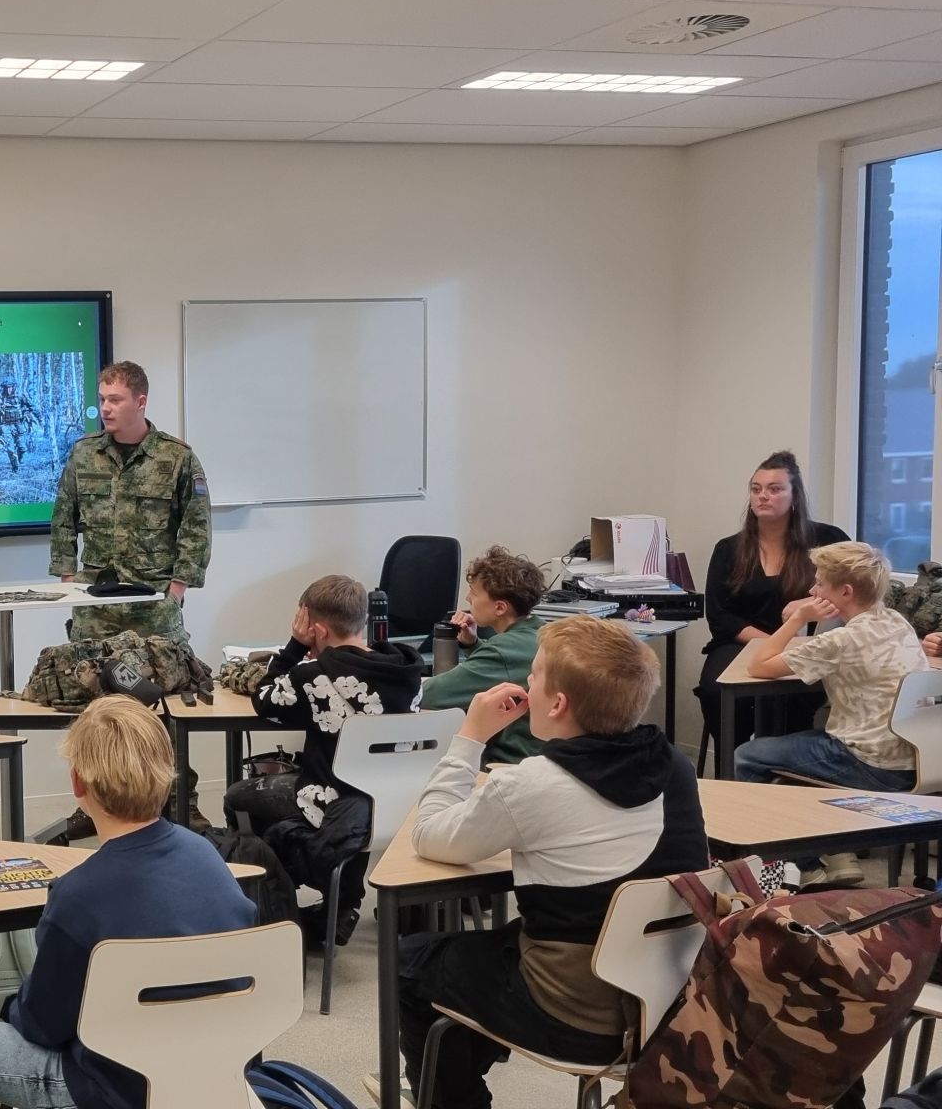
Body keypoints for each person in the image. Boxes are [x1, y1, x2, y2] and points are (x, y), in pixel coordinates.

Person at [394, 617, 707, 1109]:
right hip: (670, 1003)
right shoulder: (676, 764)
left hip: (576, 1015)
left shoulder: (531, 784)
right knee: (480, 957)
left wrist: (470, 736)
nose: (526, 685)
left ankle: (452, 1094)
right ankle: (454, 1070)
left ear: (558, 704)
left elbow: (429, 835)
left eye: (534, 676)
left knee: (412, 964)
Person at [0, 696, 256, 1109]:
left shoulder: (77, 895)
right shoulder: (210, 859)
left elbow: (44, 1026)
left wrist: (9, 1009)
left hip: (113, 1087)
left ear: (78, 784)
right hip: (214, 1071)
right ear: (167, 777)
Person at [49, 360, 213, 826]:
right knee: (95, 706)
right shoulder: (83, 455)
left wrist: (178, 586)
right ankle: (97, 801)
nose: (106, 408)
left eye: (115, 399)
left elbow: (197, 527)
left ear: (140, 401)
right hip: (96, 602)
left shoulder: (177, 457)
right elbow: (63, 516)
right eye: (102, 399)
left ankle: (180, 798)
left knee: (159, 704)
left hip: (151, 604)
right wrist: (66, 577)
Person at [225, 575, 423, 948]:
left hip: (330, 802)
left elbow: (265, 699)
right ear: (361, 621)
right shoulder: (409, 673)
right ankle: (343, 903)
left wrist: (294, 647)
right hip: (395, 806)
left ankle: (273, 902)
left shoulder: (313, 676)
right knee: (351, 796)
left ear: (313, 627)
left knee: (239, 796)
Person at [737, 541, 925, 886]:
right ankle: (834, 855)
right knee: (796, 750)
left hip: (869, 766)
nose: (812, 590)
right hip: (918, 761)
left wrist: (798, 617)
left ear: (845, 591)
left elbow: (759, 665)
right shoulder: (896, 622)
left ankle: (807, 866)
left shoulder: (841, 640)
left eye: (820, 583)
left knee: (749, 755)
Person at [696, 451, 849, 748]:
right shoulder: (729, 549)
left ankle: (780, 767)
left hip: (808, 644)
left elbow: (854, 593)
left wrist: (808, 612)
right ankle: (735, 767)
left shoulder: (829, 540)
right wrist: (772, 641)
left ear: (795, 496)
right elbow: (719, 615)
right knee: (716, 691)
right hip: (741, 642)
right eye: (756, 489)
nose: (762, 496)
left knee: (795, 692)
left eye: (774, 489)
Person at [419, 546, 548, 765]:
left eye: (474, 593)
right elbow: (505, 665)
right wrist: (473, 644)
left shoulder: (502, 651)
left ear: (499, 608)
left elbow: (430, 695)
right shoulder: (540, 631)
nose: (468, 598)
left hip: (509, 763)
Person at [0, 379, 35, 472]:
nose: (8, 390)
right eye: (6, 388)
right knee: (10, 448)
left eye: (10, 388)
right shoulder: (1, 398)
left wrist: (31, 414)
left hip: (18, 424)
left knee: (22, 448)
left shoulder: (20, 396)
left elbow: (32, 406)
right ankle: (14, 466)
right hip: (6, 425)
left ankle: (19, 459)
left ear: (13, 387)